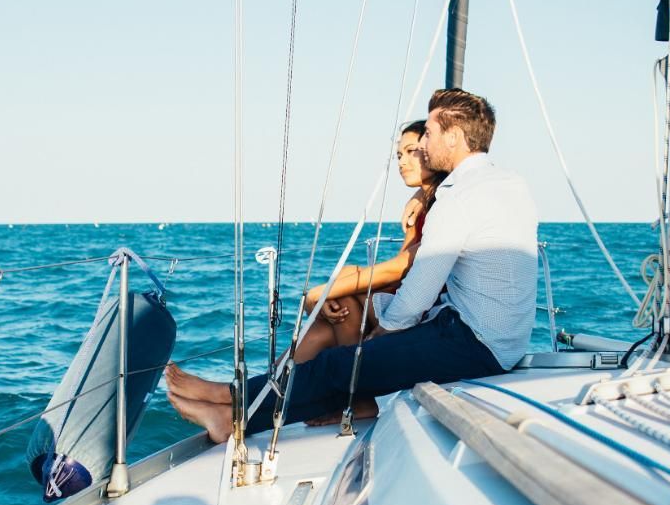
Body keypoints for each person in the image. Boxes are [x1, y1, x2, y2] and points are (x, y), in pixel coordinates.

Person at [166, 87, 538, 441]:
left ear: (453, 137)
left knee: (344, 364)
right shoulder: (510, 183)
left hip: (471, 342)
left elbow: (420, 290)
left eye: (428, 133)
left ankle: (231, 407)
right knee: (347, 341)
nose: (423, 145)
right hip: (495, 337)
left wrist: (378, 339)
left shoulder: (457, 198)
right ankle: (237, 404)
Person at [292, 120, 445, 364]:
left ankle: (357, 386)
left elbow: (401, 269)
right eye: (398, 155)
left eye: (410, 152)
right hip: (410, 296)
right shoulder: (420, 206)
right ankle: (266, 390)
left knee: (340, 301)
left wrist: (319, 294)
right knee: (337, 299)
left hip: (428, 310)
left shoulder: (443, 204)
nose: (402, 162)